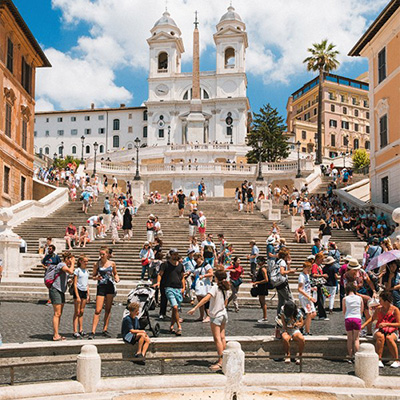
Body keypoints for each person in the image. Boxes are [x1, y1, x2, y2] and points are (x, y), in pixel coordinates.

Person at [188, 269, 230, 372]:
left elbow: (206, 298)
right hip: (224, 314)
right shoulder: (226, 287)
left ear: (217, 278)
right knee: (222, 337)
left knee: (217, 339)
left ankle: (220, 362)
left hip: (216, 315)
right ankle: (224, 359)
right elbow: (226, 302)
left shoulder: (215, 287)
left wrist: (195, 308)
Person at [361, 291, 400, 368]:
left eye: (380, 300)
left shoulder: (395, 310)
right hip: (379, 329)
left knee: (389, 338)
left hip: (392, 330)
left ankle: (396, 360)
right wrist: (363, 325)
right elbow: (372, 318)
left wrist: (387, 324)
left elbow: (399, 324)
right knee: (380, 337)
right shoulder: (379, 309)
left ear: (386, 301)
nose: (379, 302)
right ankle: (379, 359)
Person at [89, 247, 120, 339]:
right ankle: (93, 331)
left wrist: (117, 278)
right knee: (98, 310)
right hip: (101, 287)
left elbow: (115, 273)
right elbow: (93, 276)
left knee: (108, 309)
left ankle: (104, 329)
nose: (101, 255)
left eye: (103, 254)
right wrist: (96, 278)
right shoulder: (97, 264)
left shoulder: (112, 263)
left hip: (110, 286)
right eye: (100, 254)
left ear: (107, 254)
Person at [46, 251, 75, 341]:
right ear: (67, 259)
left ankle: (57, 333)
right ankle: (55, 335)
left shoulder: (64, 266)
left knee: (59, 314)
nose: (71, 261)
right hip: (55, 290)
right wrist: (73, 264)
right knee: (57, 313)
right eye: (70, 259)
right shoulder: (61, 265)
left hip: (61, 290)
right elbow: (70, 271)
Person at [155, 249, 185, 336]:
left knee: (174, 309)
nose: (175, 256)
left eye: (177, 254)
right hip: (168, 288)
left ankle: (171, 327)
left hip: (178, 288)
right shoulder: (165, 264)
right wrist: (158, 282)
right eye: (174, 254)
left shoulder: (181, 265)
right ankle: (179, 327)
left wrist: (183, 287)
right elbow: (160, 274)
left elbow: (182, 277)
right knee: (175, 307)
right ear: (171, 255)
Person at [343, 283, 363, 361]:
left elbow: (344, 311)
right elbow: (361, 310)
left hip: (348, 318)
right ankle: (357, 356)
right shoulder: (359, 298)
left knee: (349, 338)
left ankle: (350, 356)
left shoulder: (345, 299)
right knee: (356, 339)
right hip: (357, 318)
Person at [72, 255, 90, 339]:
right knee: (77, 312)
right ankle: (75, 330)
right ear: (80, 261)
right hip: (78, 291)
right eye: (85, 261)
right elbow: (75, 284)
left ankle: (81, 329)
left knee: (82, 311)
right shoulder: (77, 270)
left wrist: (88, 294)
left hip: (84, 291)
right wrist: (77, 295)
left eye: (87, 261)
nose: (86, 263)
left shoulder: (86, 271)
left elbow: (87, 283)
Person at [193, 253, 214, 322]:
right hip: (199, 285)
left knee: (206, 300)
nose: (195, 260)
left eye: (196, 259)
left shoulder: (206, 264)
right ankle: (201, 316)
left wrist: (203, 276)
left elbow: (211, 273)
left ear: (200, 257)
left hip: (205, 285)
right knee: (200, 300)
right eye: (194, 259)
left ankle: (208, 316)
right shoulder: (196, 266)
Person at [298, 261, 317, 335]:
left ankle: (300, 326)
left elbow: (306, 286)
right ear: (304, 268)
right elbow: (299, 289)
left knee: (314, 313)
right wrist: (309, 297)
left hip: (308, 296)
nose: (309, 271)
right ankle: (307, 331)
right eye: (307, 269)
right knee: (309, 313)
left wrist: (312, 289)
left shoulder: (307, 275)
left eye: (310, 269)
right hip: (304, 297)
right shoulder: (301, 276)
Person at [274, 248, 296, 315]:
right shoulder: (282, 262)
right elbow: (282, 272)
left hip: (278, 283)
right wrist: (290, 271)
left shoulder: (278, 261)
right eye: (288, 254)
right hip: (282, 284)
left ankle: (279, 317)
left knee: (281, 302)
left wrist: (289, 264)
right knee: (291, 300)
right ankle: (293, 317)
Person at [311, 252, 329, 320]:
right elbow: (314, 275)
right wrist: (322, 275)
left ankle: (310, 312)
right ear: (318, 259)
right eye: (321, 259)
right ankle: (322, 315)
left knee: (317, 300)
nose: (322, 261)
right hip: (317, 284)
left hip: (319, 284)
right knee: (320, 300)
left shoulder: (319, 265)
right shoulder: (315, 265)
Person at [252, 256, 269, 323]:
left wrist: (257, 282)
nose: (257, 262)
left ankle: (265, 317)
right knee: (261, 301)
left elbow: (266, 279)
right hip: (261, 286)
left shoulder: (263, 269)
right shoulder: (261, 268)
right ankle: (264, 316)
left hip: (263, 287)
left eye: (258, 261)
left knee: (263, 301)